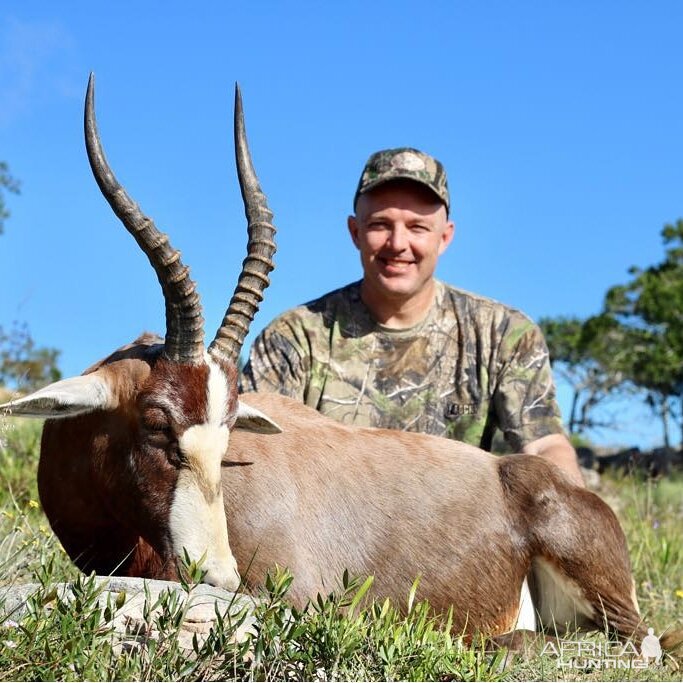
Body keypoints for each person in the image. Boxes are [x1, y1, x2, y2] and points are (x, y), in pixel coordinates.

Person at [241, 147, 584, 486]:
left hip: (460, 529)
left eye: (418, 227)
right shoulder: (292, 338)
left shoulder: (505, 333)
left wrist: (573, 516)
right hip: (329, 531)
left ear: (445, 236)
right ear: (355, 233)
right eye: (380, 224)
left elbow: (544, 444)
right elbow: (252, 452)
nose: (398, 243)